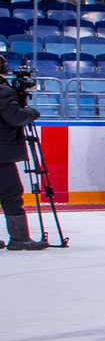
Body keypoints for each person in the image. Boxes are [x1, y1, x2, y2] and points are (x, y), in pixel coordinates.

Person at [1, 60, 41, 250]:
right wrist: (32, 112)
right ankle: (19, 238)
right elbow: (14, 117)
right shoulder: (3, 91)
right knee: (12, 194)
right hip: (2, 152)